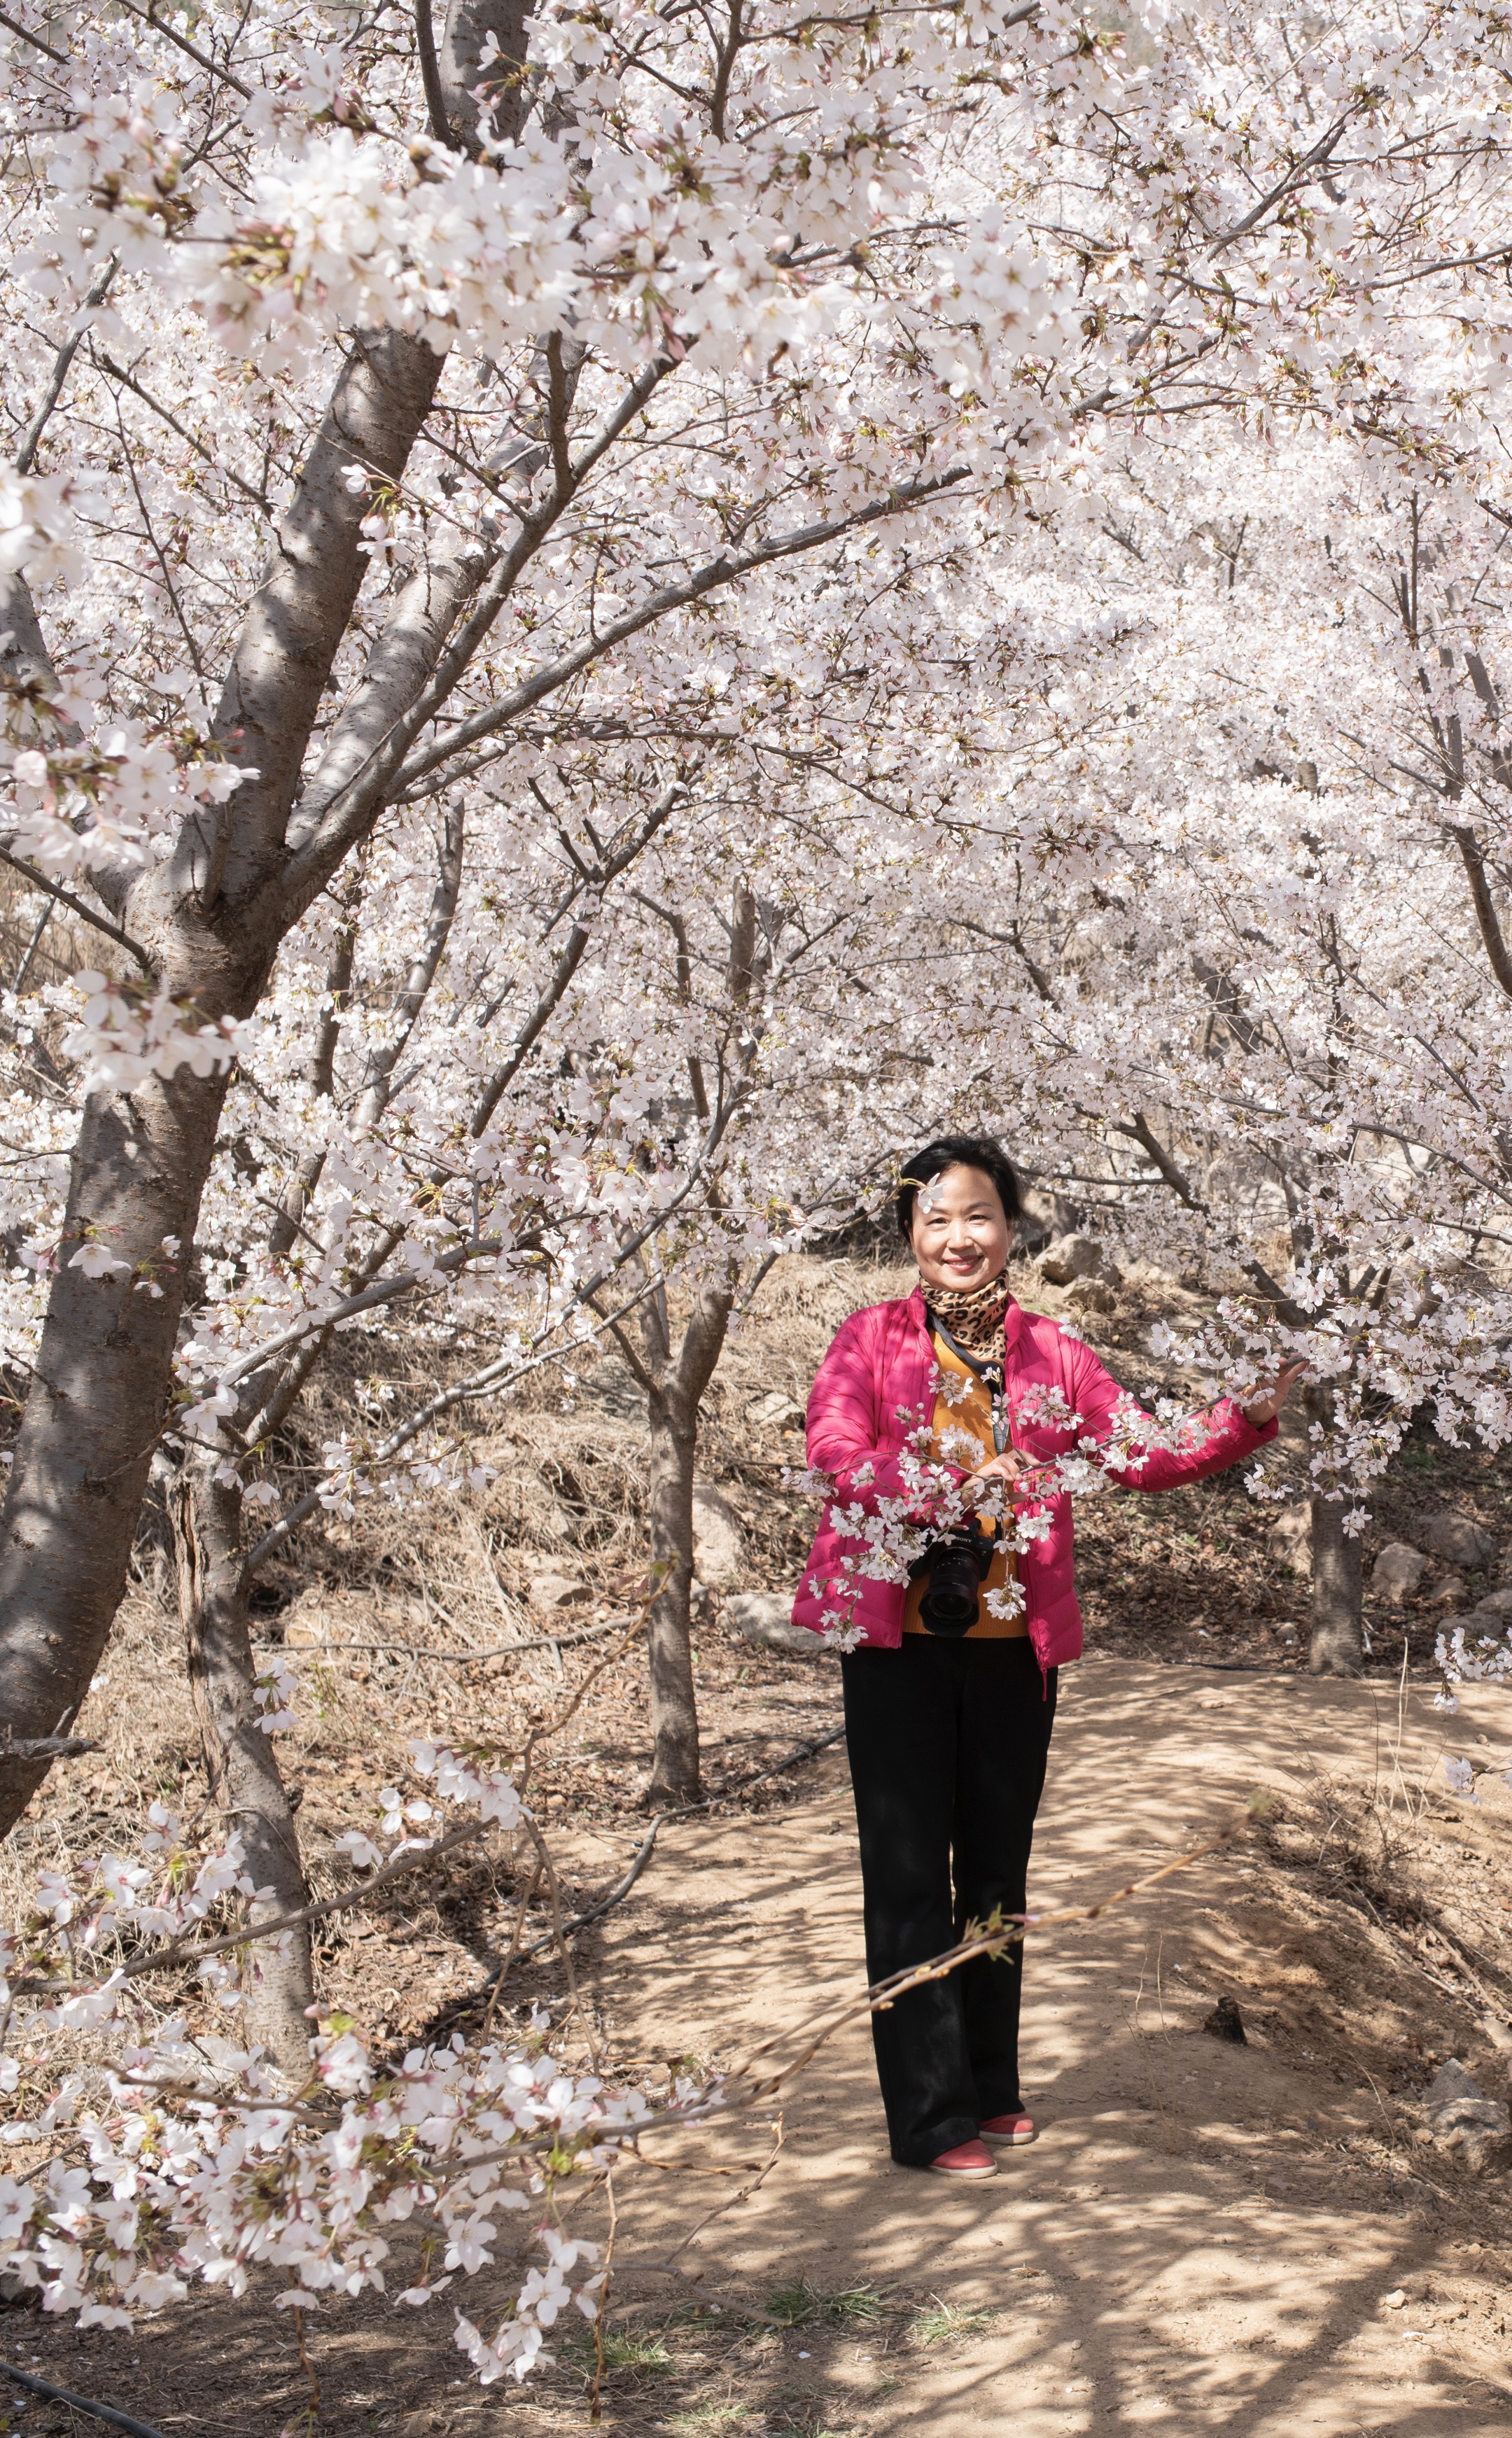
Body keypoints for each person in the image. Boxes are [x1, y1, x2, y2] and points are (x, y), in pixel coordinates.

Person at [792, 1133, 1304, 2181]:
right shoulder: (866, 1339)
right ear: (907, 1235)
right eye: (934, 1220)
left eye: (976, 1215)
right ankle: (929, 2114)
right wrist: (950, 1482)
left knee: (995, 1866)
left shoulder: (1053, 1354)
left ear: (1013, 1227)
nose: (957, 1238)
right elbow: (835, 1455)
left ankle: (992, 2083)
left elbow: (1138, 1452)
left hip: (1012, 1648)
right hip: (891, 1644)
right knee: (903, 1873)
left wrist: (1238, 1422)